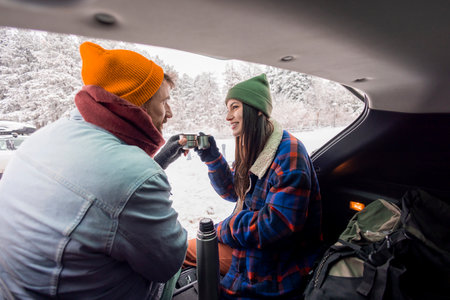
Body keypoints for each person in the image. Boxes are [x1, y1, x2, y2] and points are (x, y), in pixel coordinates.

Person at [0, 42, 189, 299]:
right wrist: (149, 172)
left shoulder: (44, 136)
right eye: (164, 101)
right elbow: (168, 261)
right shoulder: (135, 176)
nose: (170, 113)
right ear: (139, 104)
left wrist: (157, 162)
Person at [184, 74, 323, 299]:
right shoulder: (255, 145)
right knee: (181, 251)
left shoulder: (289, 153)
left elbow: (277, 225)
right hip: (248, 243)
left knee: (194, 253)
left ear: (257, 110)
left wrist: (224, 229)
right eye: (227, 109)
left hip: (275, 263)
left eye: (234, 107)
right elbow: (233, 191)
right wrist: (212, 157)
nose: (228, 116)